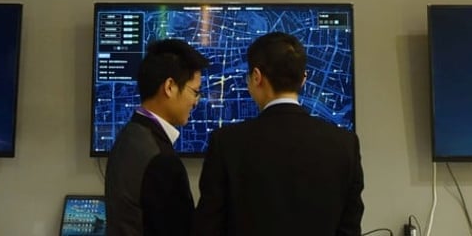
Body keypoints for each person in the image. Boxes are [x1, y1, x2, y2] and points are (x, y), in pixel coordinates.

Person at [192, 32, 365, 236]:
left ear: (256, 77)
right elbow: (349, 229)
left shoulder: (226, 142)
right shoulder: (345, 145)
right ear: (303, 79)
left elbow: (208, 227)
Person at [105, 38, 210, 236]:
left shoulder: (128, 136)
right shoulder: (161, 160)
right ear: (169, 86)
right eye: (195, 92)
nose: (196, 102)